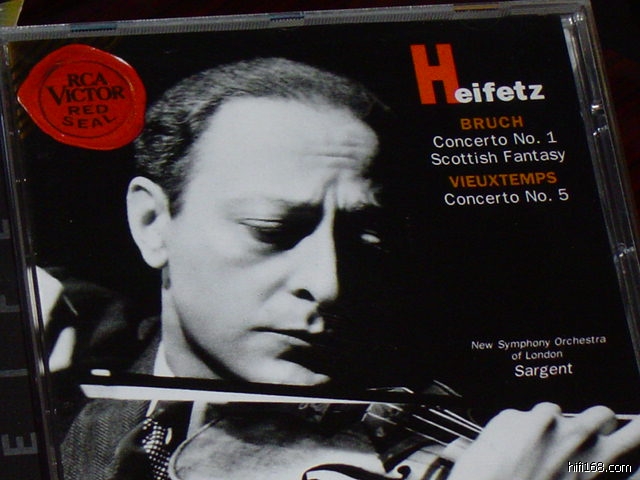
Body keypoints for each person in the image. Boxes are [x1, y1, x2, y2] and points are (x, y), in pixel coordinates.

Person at [45, 57, 640, 479]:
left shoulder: (439, 425)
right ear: (153, 223)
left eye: (366, 238)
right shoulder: (68, 380)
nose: (329, 284)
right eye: (270, 229)